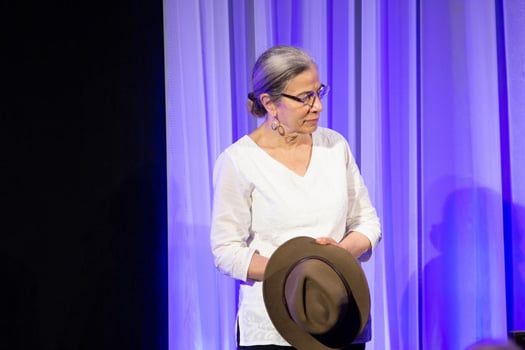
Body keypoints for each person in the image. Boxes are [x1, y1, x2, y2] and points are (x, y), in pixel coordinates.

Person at [210, 45, 382, 350]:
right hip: (273, 328)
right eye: (305, 98)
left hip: (338, 315)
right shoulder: (239, 161)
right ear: (270, 103)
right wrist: (296, 269)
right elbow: (226, 250)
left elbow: (367, 222)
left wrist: (334, 257)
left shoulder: (334, 146)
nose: (318, 106)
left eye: (319, 92)